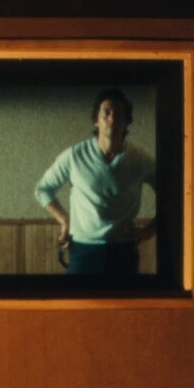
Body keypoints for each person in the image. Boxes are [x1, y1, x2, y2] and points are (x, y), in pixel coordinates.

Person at [34, 88, 156, 275]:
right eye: (106, 112)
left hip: (123, 251)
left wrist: (148, 232)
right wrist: (64, 220)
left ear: (127, 121)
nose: (112, 118)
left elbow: (173, 195)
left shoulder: (140, 159)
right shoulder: (75, 155)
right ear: (96, 121)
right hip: (83, 250)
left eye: (119, 114)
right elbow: (42, 189)